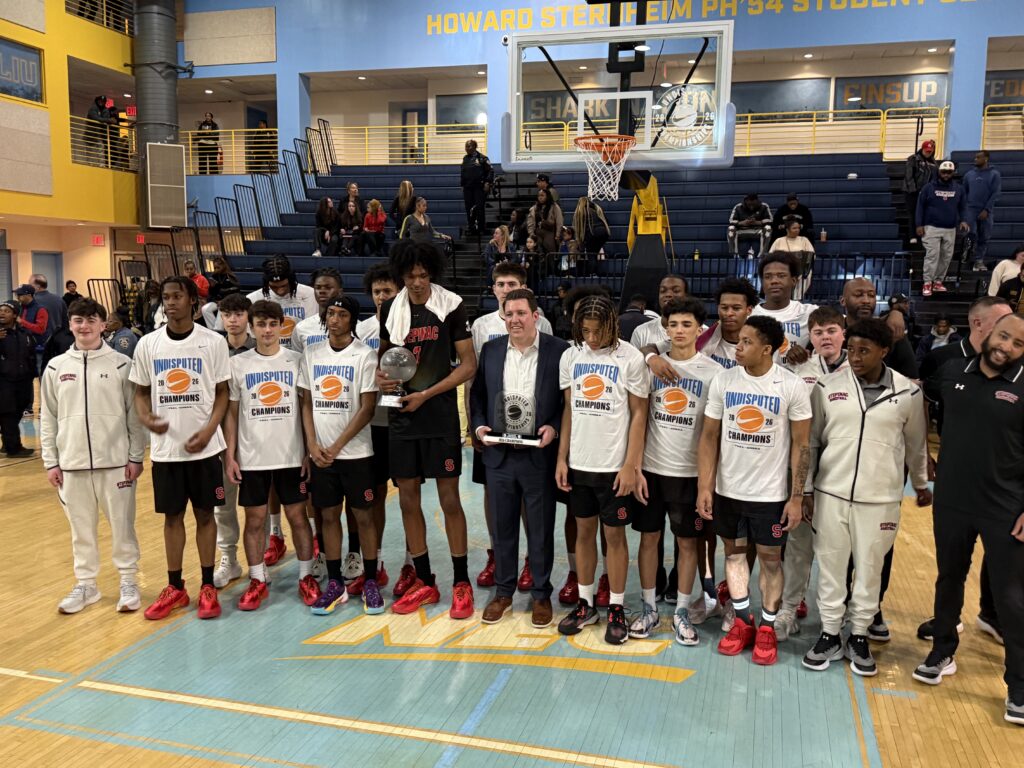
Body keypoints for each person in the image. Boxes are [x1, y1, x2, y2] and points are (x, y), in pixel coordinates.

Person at [802, 318, 931, 676]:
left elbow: (916, 445)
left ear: (884, 352)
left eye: (864, 350)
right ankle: (829, 632)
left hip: (881, 499)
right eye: (851, 349)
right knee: (830, 566)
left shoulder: (908, 392)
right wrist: (807, 489)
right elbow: (811, 442)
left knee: (870, 569)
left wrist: (920, 484)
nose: (854, 357)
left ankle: (858, 634)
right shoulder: (827, 386)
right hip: (831, 494)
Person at [915, 313, 1024, 727]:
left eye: (1017, 344)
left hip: (1007, 509)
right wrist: (924, 452)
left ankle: (1019, 684)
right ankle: (942, 650)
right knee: (948, 578)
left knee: (1012, 597)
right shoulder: (952, 370)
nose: (1007, 348)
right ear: (986, 332)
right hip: (953, 501)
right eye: (1003, 337)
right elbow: (919, 397)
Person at [696, 315, 812, 665]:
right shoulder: (724, 380)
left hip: (771, 495)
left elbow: (801, 446)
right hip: (728, 490)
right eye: (738, 340)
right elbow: (709, 436)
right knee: (733, 556)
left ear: (768, 348)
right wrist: (705, 486)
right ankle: (744, 621)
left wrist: (795, 497)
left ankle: (767, 625)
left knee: (771, 561)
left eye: (746, 342)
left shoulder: (791, 386)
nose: (738, 347)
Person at [377, 241, 477, 618]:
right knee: (407, 500)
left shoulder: (450, 305)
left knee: (450, 500)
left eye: (423, 275)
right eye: (410, 276)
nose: (417, 282)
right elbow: (385, 360)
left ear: (432, 273)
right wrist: (380, 377)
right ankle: (424, 581)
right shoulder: (390, 308)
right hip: (403, 414)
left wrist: (427, 393)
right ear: (401, 275)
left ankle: (461, 583)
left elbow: (468, 365)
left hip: (437, 414)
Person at [130, 276, 231, 621]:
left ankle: (207, 585)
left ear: (193, 302)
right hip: (166, 450)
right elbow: (140, 392)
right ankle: (175, 586)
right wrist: (145, 418)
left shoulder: (213, 342)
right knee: (172, 518)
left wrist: (209, 429)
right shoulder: (148, 344)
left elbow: (222, 393)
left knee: (206, 515)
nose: (169, 303)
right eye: (165, 298)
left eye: (177, 296)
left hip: (204, 450)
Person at [915, 295, 1012, 643]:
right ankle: (948, 620)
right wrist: (924, 452)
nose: (1010, 334)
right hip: (956, 475)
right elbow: (921, 407)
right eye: (1003, 324)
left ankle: (993, 614)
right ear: (979, 324)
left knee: (1001, 558)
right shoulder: (944, 360)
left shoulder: (1015, 364)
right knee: (952, 560)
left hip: (1004, 481)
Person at [472, 288, 569, 628]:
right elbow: (478, 397)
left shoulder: (560, 351)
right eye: (508, 313)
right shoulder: (492, 349)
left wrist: (554, 429)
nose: (514, 319)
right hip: (499, 454)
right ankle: (503, 591)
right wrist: (479, 425)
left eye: (520, 313)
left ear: (535, 315)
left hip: (537, 456)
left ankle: (541, 595)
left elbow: (565, 403)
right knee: (502, 528)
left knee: (540, 529)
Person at [42, 298, 146, 615]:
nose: (84, 326)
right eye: (78, 320)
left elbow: (134, 416)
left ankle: (129, 581)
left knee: (122, 527)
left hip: (116, 464)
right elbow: (48, 417)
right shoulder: (56, 367)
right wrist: (51, 461)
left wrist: (135, 456)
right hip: (71, 466)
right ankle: (86, 585)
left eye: (91, 320)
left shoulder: (121, 365)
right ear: (70, 325)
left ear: (103, 324)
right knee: (81, 530)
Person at [630, 297, 724, 645]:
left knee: (688, 543)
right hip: (652, 470)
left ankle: (682, 611)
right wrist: (636, 467)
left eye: (687, 325)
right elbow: (638, 420)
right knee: (648, 539)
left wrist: (706, 481)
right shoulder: (649, 367)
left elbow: (712, 435)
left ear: (699, 330)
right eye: (673, 325)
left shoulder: (713, 373)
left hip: (689, 474)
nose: (679, 331)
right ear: (664, 329)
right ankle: (649, 608)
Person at [556, 295, 648, 645]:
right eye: (586, 331)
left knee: (614, 538)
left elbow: (640, 413)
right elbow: (569, 410)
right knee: (582, 533)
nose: (592, 339)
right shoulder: (571, 356)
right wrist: (562, 458)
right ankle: (585, 603)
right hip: (580, 463)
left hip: (614, 467)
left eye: (598, 331)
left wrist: (631, 464)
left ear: (612, 326)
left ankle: (617, 607)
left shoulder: (631, 358)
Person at [224, 300, 320, 613]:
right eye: (260, 325)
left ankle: (306, 576)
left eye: (272, 324)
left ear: (282, 326)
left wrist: (308, 449)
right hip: (252, 457)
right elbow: (232, 413)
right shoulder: (238, 364)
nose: (266, 330)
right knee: (254, 520)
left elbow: (307, 408)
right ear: (251, 327)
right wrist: (230, 455)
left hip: (291, 455)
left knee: (298, 518)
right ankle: (257, 579)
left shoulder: (297, 360)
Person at [467, 261, 552, 589]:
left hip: (533, 443)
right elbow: (476, 384)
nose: (506, 289)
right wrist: (475, 427)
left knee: (535, 508)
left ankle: (533, 566)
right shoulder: (483, 332)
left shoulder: (546, 334)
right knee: (496, 499)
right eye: (500, 284)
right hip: (496, 438)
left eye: (512, 283)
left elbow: (554, 388)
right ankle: (498, 560)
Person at [300, 296, 382, 614]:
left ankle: (371, 579)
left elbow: (368, 408)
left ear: (352, 320)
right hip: (321, 455)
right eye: (331, 313)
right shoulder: (311, 354)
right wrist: (312, 444)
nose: (334, 319)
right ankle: (335, 583)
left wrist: (336, 446)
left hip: (357, 453)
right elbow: (306, 401)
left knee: (363, 517)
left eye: (342, 314)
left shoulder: (364, 356)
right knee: (329, 516)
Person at [774, 305, 850, 641]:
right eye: (818, 332)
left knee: (838, 547)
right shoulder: (798, 367)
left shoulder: (859, 366)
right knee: (798, 544)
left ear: (843, 332)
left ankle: (839, 616)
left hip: (844, 469)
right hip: (803, 465)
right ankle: (789, 608)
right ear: (810, 335)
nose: (825, 337)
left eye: (831, 330)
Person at [352, 264, 399, 594]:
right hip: (374, 424)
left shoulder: (414, 325)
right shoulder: (362, 329)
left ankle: (412, 563)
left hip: (407, 421)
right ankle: (376, 562)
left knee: (411, 495)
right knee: (376, 496)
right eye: (377, 292)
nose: (383, 297)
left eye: (388, 291)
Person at [211, 293, 256, 588]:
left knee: (258, 505)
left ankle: (260, 560)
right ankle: (229, 558)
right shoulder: (212, 349)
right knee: (222, 504)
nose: (234, 320)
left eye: (239, 314)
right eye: (228, 314)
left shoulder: (263, 347)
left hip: (257, 436)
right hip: (221, 439)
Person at [751, 252, 818, 366]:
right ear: (762, 282)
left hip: (796, 380)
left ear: (794, 281)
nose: (774, 281)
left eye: (781, 275)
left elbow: (841, 326)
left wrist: (810, 349)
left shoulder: (809, 312)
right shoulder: (750, 315)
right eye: (768, 277)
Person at [917, 160, 968, 297]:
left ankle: (938, 282)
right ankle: (927, 283)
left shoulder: (959, 189)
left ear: (953, 173)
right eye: (944, 172)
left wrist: (963, 220)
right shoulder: (928, 188)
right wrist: (919, 224)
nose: (946, 175)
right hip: (931, 227)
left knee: (946, 257)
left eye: (949, 172)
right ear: (939, 172)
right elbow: (920, 207)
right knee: (932, 256)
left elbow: (962, 207)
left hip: (950, 228)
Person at [246, 256, 319, 350]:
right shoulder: (253, 299)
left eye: (284, 285)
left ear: (292, 280)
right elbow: (252, 335)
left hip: (302, 352)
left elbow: (312, 330)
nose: (280, 291)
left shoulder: (310, 294)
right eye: (274, 287)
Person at [697, 278, 759, 370]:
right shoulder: (701, 338)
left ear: (749, 310)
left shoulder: (760, 343)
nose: (729, 313)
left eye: (736, 308)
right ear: (718, 309)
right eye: (724, 308)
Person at [0, 300, 35, 456]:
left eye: (6, 311)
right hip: (4, 380)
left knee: (18, 410)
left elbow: (30, 353)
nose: (2, 313)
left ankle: (7, 443)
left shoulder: (23, 333)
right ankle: (13, 448)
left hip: (23, 379)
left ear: (15, 315)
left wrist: (31, 372)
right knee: (8, 413)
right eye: (0, 310)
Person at [964, 150, 1002, 271]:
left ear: (986, 159)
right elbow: (964, 192)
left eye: (978, 157)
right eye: (975, 157)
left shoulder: (994, 174)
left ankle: (979, 261)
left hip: (986, 211)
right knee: (971, 233)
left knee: (984, 236)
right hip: (971, 209)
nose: (975, 159)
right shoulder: (969, 175)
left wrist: (986, 209)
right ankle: (967, 254)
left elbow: (995, 193)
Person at [293, 268, 343, 355]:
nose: (322, 291)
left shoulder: (356, 327)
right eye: (318, 287)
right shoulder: (302, 328)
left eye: (328, 287)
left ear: (340, 292)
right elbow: (297, 360)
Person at [769, 219, 815, 299]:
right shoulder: (779, 241)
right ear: (787, 229)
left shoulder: (804, 240)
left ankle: (797, 298)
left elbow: (811, 255)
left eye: (798, 228)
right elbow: (771, 255)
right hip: (782, 268)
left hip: (800, 268)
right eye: (794, 228)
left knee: (807, 273)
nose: (797, 230)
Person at [902, 139, 937, 243]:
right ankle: (912, 235)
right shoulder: (913, 159)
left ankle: (922, 235)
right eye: (926, 151)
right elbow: (909, 176)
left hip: (924, 193)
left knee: (924, 213)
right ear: (922, 149)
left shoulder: (933, 163)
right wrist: (913, 190)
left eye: (930, 151)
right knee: (912, 213)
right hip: (911, 192)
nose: (928, 153)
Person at [460, 139, 493, 235]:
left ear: (475, 147)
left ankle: (481, 228)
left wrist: (488, 182)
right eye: (466, 146)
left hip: (479, 187)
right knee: (469, 209)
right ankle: (471, 228)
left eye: (469, 146)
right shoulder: (465, 158)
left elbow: (490, 171)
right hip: (468, 188)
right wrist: (462, 184)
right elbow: (463, 173)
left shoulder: (482, 158)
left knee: (479, 208)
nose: (467, 148)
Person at [727, 193, 773, 258]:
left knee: (768, 228)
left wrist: (758, 222)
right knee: (731, 228)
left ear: (757, 201)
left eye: (753, 204)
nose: (751, 207)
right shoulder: (738, 207)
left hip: (758, 230)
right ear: (746, 201)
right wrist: (742, 223)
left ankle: (763, 253)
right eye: (749, 205)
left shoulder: (764, 206)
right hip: (742, 230)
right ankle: (735, 253)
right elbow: (731, 221)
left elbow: (770, 220)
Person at [31, 274, 69, 341]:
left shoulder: (32, 302)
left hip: (39, 340)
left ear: (37, 287)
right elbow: (66, 321)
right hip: (58, 340)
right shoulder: (59, 299)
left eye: (30, 285)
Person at [528, 188, 563, 256]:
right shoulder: (534, 208)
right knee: (538, 251)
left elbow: (559, 222)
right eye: (539, 196)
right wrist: (531, 234)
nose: (540, 197)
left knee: (550, 251)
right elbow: (530, 222)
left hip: (550, 231)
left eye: (542, 195)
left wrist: (557, 235)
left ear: (547, 196)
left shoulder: (554, 207)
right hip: (538, 232)